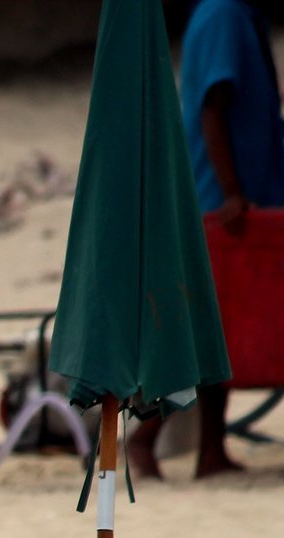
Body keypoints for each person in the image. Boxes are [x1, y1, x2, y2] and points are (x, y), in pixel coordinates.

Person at [128, 0, 284, 479]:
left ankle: (210, 450)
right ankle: (146, 436)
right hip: (224, 208)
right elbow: (212, 109)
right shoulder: (224, 15)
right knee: (205, 331)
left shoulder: (230, 14)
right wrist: (232, 191)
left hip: (231, 203)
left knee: (222, 329)